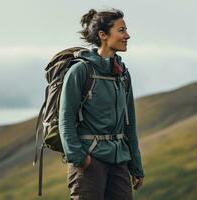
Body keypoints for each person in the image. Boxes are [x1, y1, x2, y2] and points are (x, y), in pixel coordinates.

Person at [58, 8, 144, 200]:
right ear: (103, 35)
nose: (127, 35)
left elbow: (129, 123)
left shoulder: (122, 73)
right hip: (89, 161)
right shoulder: (80, 71)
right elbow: (66, 119)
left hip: (119, 160)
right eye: (121, 30)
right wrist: (79, 158)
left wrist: (136, 166)